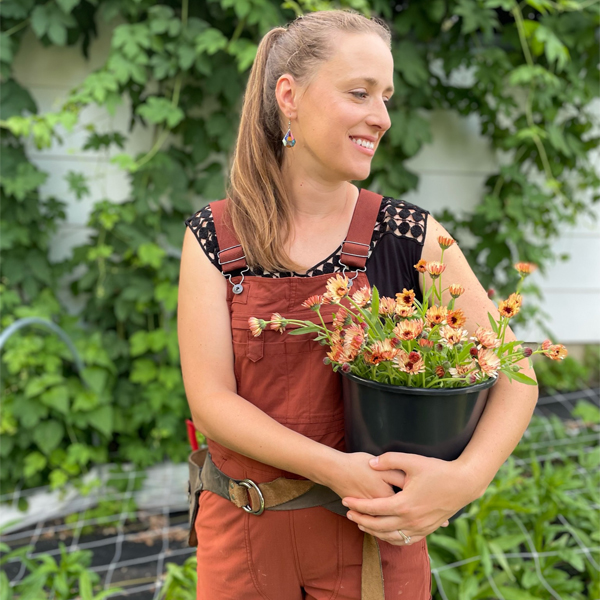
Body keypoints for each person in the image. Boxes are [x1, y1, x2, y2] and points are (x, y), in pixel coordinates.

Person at [178, 9, 538, 600]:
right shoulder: (215, 236)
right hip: (244, 542)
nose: (382, 117)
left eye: (386, 96)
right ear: (289, 96)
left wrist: (464, 481)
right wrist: (335, 468)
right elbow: (212, 403)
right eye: (360, 93)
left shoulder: (408, 234)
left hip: (372, 546)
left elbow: (516, 374)